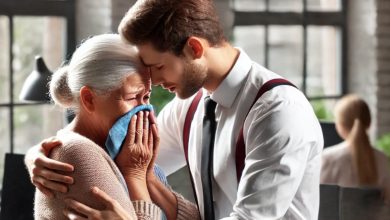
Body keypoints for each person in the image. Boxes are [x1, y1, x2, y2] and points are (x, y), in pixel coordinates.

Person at [25, 0, 324, 219]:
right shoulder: (191, 106)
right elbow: (116, 159)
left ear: (194, 49)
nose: (153, 81)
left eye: (157, 66)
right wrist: (43, 153)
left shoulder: (277, 113)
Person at [26, 33, 199, 220]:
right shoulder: (79, 153)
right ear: (89, 99)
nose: (144, 111)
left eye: (146, 96)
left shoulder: (126, 154)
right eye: (132, 97)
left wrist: (146, 177)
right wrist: (135, 177)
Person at [321, 94, 390, 202]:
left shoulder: (328, 158)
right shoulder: (382, 159)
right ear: (369, 123)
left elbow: (319, 202)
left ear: (340, 125)